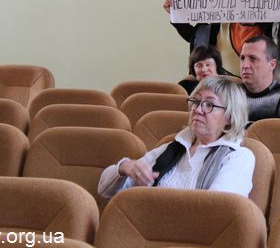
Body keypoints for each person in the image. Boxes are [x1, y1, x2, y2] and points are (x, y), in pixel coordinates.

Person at [97, 76, 255, 199]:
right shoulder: (172, 148)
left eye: (209, 105)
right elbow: (104, 191)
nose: (197, 110)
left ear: (230, 117)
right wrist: (125, 167)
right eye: (196, 101)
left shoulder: (238, 157)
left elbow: (216, 208)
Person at [163, 0, 280, 76]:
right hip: (221, 92)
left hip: (259, 91)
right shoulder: (218, 24)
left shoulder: (269, 27)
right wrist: (175, 14)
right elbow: (196, 37)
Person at [239, 36, 280, 122]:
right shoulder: (230, 95)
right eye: (242, 58)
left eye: (253, 58)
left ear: (272, 65)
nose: (244, 65)